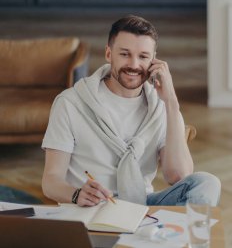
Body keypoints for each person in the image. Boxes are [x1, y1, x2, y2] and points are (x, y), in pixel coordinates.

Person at [41, 14, 221, 207]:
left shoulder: (159, 106)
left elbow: (178, 175)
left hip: (140, 204)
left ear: (154, 60)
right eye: (125, 54)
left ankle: (154, 231)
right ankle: (162, 235)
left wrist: (171, 102)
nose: (134, 65)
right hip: (91, 207)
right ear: (109, 54)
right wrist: (77, 194)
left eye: (143, 56)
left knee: (207, 183)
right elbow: (51, 181)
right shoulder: (70, 103)